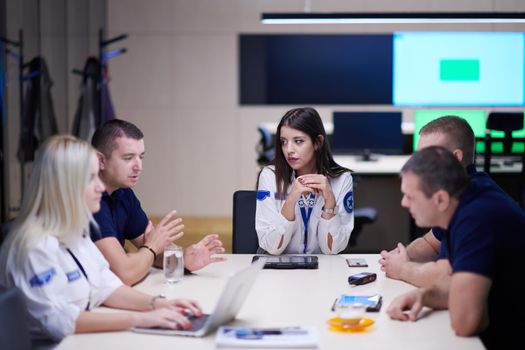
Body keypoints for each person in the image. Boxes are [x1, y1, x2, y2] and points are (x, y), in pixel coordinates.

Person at [0, 135, 203, 342]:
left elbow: (105, 286)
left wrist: (159, 303)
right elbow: (58, 322)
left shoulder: (74, 233)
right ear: (63, 185)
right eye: (90, 178)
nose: (100, 186)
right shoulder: (35, 246)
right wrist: (140, 319)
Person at [386, 146, 525, 349]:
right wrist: (423, 296)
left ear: (440, 199)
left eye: (410, 196)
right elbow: (454, 283)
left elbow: (465, 323)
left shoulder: (475, 219)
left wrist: (460, 297)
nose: (403, 203)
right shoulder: (464, 201)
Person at [90, 119, 226, 286]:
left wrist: (182, 260)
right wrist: (151, 247)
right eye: (128, 158)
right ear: (101, 161)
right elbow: (126, 273)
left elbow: (153, 249)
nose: (138, 166)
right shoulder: (91, 201)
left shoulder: (123, 193)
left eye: (141, 157)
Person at [379, 116, 505, 287]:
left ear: (455, 158)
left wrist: (403, 269)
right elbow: (431, 244)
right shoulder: (461, 192)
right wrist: (399, 256)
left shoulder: (475, 207)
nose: (418, 166)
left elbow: (449, 283)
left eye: (426, 158)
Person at [255, 107, 354, 255]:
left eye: (298, 141)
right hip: (280, 270)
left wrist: (330, 202)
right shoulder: (270, 176)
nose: (289, 150)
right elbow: (271, 247)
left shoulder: (341, 179)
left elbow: (332, 249)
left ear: (318, 142)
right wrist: (291, 200)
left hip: (322, 269)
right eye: (283, 142)